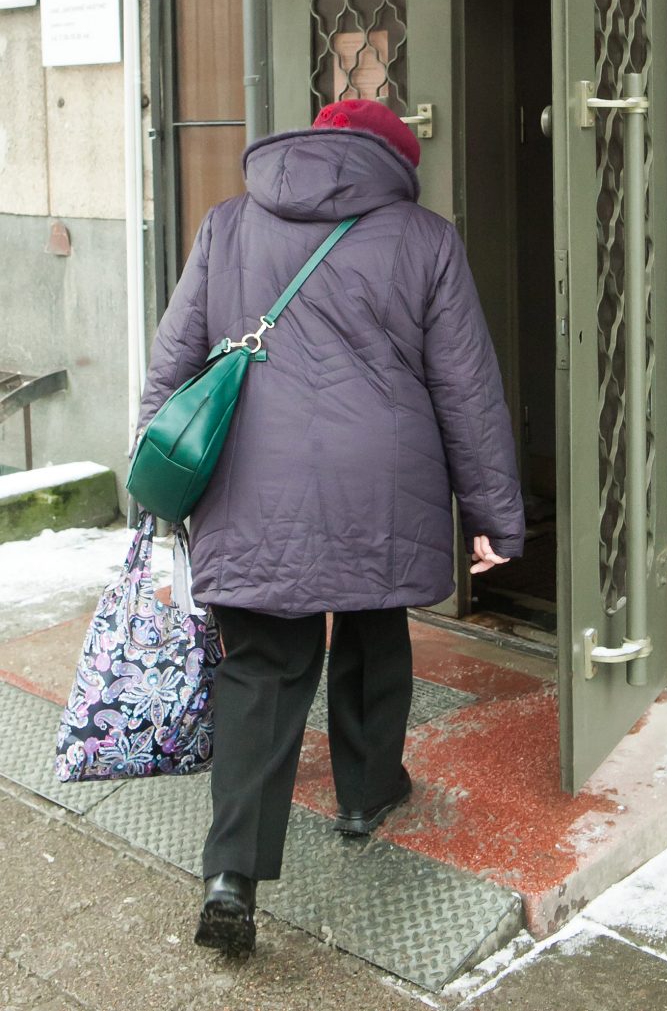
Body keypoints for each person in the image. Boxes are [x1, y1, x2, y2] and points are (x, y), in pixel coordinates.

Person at [134, 98, 525, 957]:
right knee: (374, 620)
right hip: (378, 481)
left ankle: (232, 870)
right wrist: (494, 514)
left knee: (262, 667)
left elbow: (175, 353)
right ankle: (366, 790)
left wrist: (151, 470)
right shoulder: (426, 239)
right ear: (395, 160)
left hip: (250, 478)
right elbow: (467, 389)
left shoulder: (228, 222)